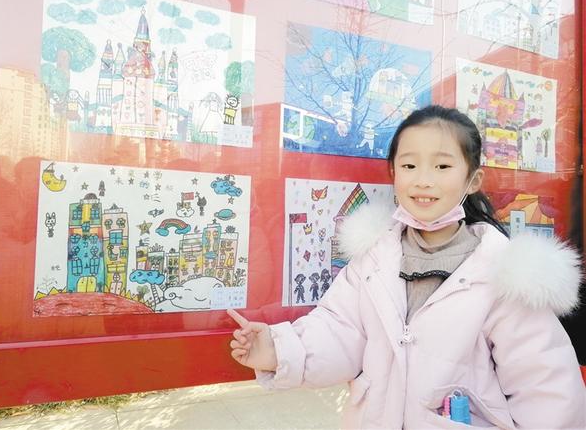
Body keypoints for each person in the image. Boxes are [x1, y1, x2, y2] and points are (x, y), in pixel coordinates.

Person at [227, 105, 586, 429]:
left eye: (442, 166)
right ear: (394, 173)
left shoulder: (506, 273)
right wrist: (278, 350)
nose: (423, 179)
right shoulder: (373, 257)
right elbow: (339, 330)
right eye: (409, 165)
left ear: (473, 179)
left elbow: (544, 386)